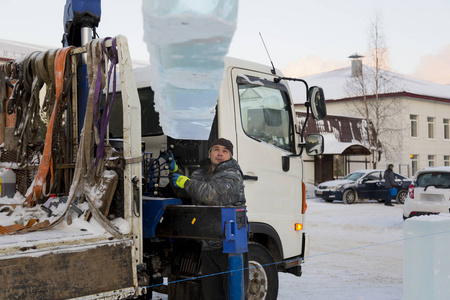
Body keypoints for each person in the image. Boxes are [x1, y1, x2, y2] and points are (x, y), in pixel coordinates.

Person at [163, 138, 247, 300]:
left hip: (230, 245)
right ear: (209, 153)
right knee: (211, 294)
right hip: (208, 242)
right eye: (216, 149)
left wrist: (186, 182)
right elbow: (186, 192)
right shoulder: (200, 173)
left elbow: (212, 195)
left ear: (230, 155)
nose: (220, 153)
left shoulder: (233, 174)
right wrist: (175, 172)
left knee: (232, 292)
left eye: (225, 151)